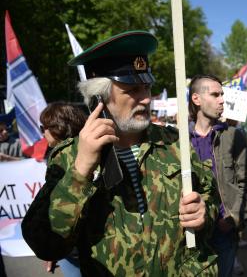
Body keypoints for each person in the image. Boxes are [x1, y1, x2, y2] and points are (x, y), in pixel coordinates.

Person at [22, 30, 219, 276]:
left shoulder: (175, 142)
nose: (146, 99)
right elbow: (44, 244)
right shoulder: (69, 157)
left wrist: (203, 212)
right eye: (132, 90)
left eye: (147, 87)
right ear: (99, 97)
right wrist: (81, 171)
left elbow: (210, 197)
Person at [188, 74, 247, 277]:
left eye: (223, 94)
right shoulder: (180, 140)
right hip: (192, 234)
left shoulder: (233, 137)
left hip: (223, 231)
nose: (222, 100)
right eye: (215, 94)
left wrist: (233, 218)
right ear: (197, 99)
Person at [39, 103, 87, 276]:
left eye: (42, 128)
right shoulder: (92, 147)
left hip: (76, 244)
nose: (42, 133)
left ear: (56, 127)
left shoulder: (60, 155)